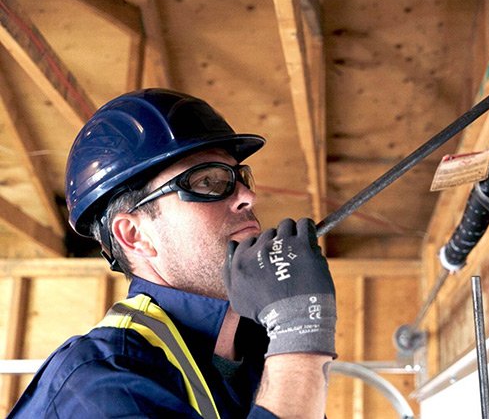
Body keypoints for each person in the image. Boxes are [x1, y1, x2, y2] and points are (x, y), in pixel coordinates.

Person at [8, 88, 337, 418]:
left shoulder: (262, 359)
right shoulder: (101, 383)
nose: (247, 196)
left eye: (240, 177)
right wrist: (300, 330)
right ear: (135, 235)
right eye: (207, 181)